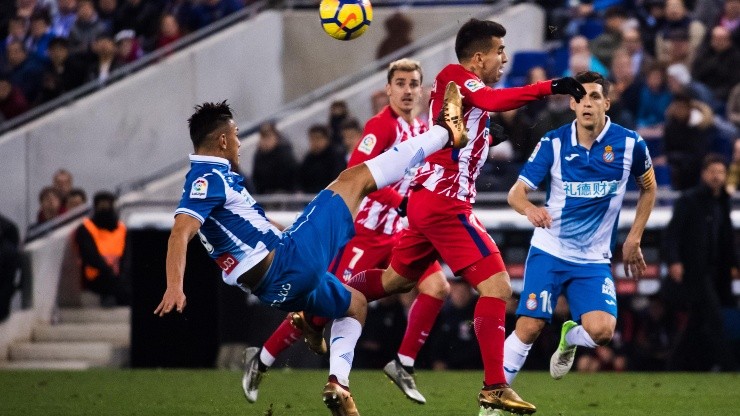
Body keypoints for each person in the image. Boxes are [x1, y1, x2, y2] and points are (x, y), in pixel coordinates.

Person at [154, 93, 467, 416]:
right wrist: (174, 285)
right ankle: (445, 131)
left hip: (275, 289)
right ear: (221, 140)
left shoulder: (219, 179)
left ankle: (339, 384)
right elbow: (180, 231)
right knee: (354, 179)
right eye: (235, 136)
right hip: (287, 263)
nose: (239, 143)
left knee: (355, 304)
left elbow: (253, 226)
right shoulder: (206, 179)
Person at [341, 18, 587, 414]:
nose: (504, 59)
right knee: (498, 287)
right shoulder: (456, 76)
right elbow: (491, 102)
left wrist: (489, 138)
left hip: (430, 199)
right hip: (444, 202)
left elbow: (469, 128)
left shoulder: (463, 91)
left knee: (394, 280)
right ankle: (494, 386)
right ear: (478, 58)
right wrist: (551, 86)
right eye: (499, 52)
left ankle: (325, 296)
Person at [242, 58, 448, 406]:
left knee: (437, 287)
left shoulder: (423, 128)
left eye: (414, 84)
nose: (408, 90)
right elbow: (356, 173)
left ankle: (403, 363)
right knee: (324, 306)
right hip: (364, 233)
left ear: (423, 90)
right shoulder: (381, 127)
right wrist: (400, 201)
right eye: (400, 83)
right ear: (388, 89)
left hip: (399, 232)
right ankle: (261, 359)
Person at [501, 71, 657, 390]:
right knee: (528, 327)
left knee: (602, 332)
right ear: (572, 104)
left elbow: (649, 188)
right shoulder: (553, 143)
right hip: (550, 249)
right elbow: (515, 193)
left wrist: (634, 236)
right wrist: (531, 209)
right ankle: (491, 401)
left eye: (595, 97)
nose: (587, 103)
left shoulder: (630, 145)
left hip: (593, 259)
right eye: (581, 98)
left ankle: (570, 337)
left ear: (606, 104)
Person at [663, 154, 739, 371]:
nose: (717, 177)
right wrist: (674, 261)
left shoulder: (722, 203)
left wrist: (733, 264)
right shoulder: (689, 200)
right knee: (714, 318)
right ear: (704, 174)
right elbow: (673, 234)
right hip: (696, 271)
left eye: (721, 172)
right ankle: (729, 367)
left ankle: (674, 366)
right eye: (713, 172)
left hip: (715, 271)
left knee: (695, 323)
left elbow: (726, 237)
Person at [75, 191, 131, 306]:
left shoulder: (122, 228)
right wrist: (109, 270)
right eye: (102, 206)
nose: (105, 209)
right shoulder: (86, 228)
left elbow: (127, 255)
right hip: (96, 276)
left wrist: (122, 273)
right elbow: (90, 255)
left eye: (107, 205)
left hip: (118, 274)